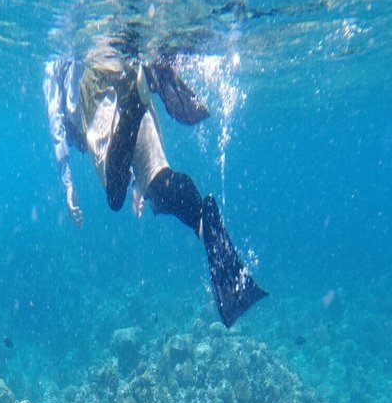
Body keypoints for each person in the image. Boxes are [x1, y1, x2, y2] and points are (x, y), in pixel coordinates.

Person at [43, 50, 267, 327]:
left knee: (115, 196)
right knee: (161, 185)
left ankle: (138, 96)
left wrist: (67, 184)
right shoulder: (100, 63)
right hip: (130, 78)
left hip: (100, 92)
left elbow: (56, 120)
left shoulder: (61, 66)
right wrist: (139, 184)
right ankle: (205, 221)